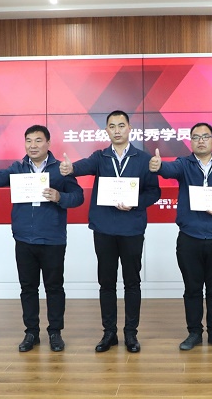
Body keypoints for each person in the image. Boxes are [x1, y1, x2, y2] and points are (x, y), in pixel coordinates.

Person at [0, 125, 83, 353]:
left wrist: (59, 197)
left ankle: (55, 332)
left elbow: (78, 197)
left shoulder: (61, 169)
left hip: (52, 239)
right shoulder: (18, 168)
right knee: (28, 288)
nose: (33, 145)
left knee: (54, 288)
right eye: (28, 140)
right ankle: (31, 332)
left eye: (38, 140)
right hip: (24, 239)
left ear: (48, 143)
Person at [59, 110, 161, 353]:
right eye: (112, 126)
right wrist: (69, 168)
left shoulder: (143, 159)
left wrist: (135, 202)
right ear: (106, 130)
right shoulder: (100, 157)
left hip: (132, 228)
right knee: (106, 282)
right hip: (104, 228)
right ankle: (109, 333)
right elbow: (81, 166)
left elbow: (154, 192)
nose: (117, 130)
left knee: (132, 282)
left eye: (121, 125)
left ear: (129, 128)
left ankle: (131, 334)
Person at [149, 122, 212, 351]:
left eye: (205, 136)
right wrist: (159, 166)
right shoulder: (184, 164)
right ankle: (194, 333)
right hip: (189, 237)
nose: (200, 141)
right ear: (190, 141)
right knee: (192, 289)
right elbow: (168, 170)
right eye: (195, 137)